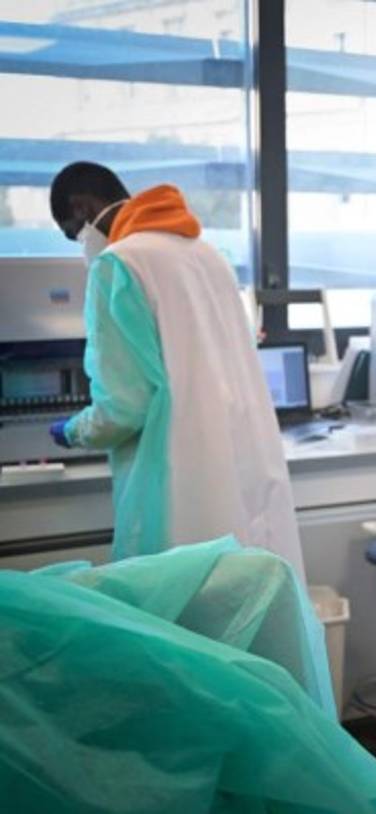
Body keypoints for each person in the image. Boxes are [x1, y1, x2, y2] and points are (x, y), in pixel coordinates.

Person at [47, 162, 306, 580]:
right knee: (247, 612)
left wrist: (74, 431)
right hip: (244, 469)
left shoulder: (118, 265)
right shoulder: (207, 255)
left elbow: (124, 407)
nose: (82, 246)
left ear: (81, 207)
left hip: (181, 486)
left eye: (73, 233)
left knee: (183, 624)